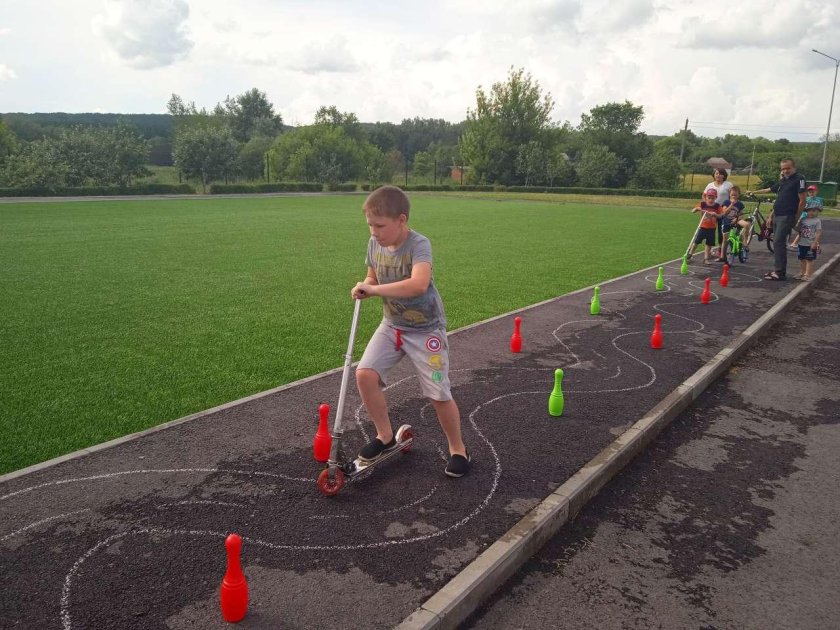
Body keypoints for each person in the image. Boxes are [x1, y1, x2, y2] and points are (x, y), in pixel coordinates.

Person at [350, 185, 470, 478]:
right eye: (370, 225)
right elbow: (372, 274)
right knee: (364, 374)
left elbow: (418, 284)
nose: (374, 232)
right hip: (392, 325)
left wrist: (375, 290)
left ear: (401, 220)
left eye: (380, 225)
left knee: (438, 393)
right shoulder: (374, 243)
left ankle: (458, 449)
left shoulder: (419, 245)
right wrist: (364, 285)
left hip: (426, 331)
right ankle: (385, 436)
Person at [748, 158, 806, 281]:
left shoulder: (799, 179)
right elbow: (769, 190)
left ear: (794, 167)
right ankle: (778, 270)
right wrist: (770, 215)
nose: (785, 171)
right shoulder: (783, 181)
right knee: (776, 242)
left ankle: (780, 272)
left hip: (787, 215)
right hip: (777, 214)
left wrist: (795, 218)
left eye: (788, 168)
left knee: (779, 242)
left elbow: (802, 201)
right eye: (783, 169)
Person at [686, 189, 723, 264]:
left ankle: (706, 258)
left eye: (712, 198)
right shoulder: (702, 204)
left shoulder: (717, 206)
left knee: (709, 244)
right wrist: (697, 209)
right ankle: (690, 254)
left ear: (715, 198)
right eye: (709, 198)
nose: (710, 200)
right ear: (706, 197)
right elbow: (692, 211)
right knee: (696, 242)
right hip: (702, 227)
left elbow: (721, 215)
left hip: (712, 229)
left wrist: (715, 214)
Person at [704, 169, 733, 250]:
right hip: (711, 211)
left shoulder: (728, 184)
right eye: (716, 173)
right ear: (714, 175)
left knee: (721, 231)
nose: (718, 175)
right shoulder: (710, 185)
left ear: (724, 175)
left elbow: (733, 196)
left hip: (723, 211)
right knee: (710, 230)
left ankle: (721, 249)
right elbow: (704, 195)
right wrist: (706, 204)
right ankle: (708, 251)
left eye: (720, 174)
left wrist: (730, 206)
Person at [717, 185, 748, 261]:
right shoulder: (726, 202)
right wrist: (732, 204)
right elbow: (724, 212)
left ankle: (745, 242)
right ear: (729, 194)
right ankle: (722, 256)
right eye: (732, 195)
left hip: (735, 220)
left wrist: (736, 219)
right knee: (725, 239)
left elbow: (741, 215)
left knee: (747, 224)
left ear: (738, 195)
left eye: (735, 195)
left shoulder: (740, 204)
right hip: (726, 220)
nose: (734, 196)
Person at [789, 184, 823, 249]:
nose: (811, 193)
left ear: (816, 191)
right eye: (809, 192)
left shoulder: (819, 200)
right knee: (803, 231)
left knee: (815, 231)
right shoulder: (806, 199)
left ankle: (815, 243)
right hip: (805, 217)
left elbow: (820, 208)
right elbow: (802, 207)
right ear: (808, 193)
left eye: (813, 192)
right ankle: (794, 243)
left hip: (814, 218)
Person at [794, 204, 822, 281]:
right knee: (801, 258)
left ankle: (807, 274)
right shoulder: (803, 219)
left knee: (809, 259)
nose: (811, 212)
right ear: (806, 211)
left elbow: (818, 232)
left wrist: (815, 243)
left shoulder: (817, 221)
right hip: (802, 243)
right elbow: (799, 230)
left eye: (814, 211)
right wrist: (793, 225)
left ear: (817, 211)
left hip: (811, 244)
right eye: (809, 210)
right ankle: (802, 272)